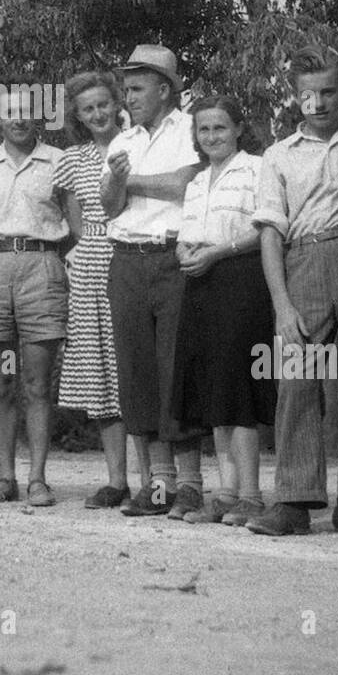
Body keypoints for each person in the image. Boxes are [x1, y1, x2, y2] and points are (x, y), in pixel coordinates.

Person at [247, 47, 338, 538]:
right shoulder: (278, 155)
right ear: (295, 98)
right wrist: (282, 304)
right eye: (309, 94)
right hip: (302, 257)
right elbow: (269, 234)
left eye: (329, 91)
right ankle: (295, 503)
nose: (320, 102)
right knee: (297, 379)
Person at [99, 44, 204, 520]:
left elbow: (187, 183)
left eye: (138, 87)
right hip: (126, 258)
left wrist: (131, 180)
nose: (130, 95)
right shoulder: (124, 140)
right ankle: (158, 483)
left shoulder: (192, 129)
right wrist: (121, 181)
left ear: (165, 89)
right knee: (138, 369)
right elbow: (108, 205)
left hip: (173, 256)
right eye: (127, 87)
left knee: (177, 368)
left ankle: (192, 484)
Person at [170, 96, 275, 526]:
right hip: (201, 285)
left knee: (239, 388)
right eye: (204, 129)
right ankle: (225, 493)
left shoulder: (257, 168)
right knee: (211, 386)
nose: (212, 136)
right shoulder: (196, 182)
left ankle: (251, 494)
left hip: (242, 281)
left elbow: (264, 228)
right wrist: (184, 250)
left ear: (237, 129)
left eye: (220, 128)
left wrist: (217, 252)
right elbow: (187, 232)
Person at [0, 86, 71, 507]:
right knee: (2, 383)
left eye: (28, 112)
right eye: (10, 112)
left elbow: (75, 227)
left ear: (41, 117)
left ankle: (38, 479)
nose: (20, 119)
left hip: (41, 270)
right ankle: (4, 478)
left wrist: (43, 258)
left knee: (38, 383)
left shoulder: (58, 162)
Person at [54, 71, 147, 508]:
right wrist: (89, 250)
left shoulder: (141, 143)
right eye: (87, 108)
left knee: (137, 369)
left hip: (137, 253)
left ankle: (154, 482)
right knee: (104, 378)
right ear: (77, 114)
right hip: (92, 264)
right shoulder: (73, 158)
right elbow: (76, 223)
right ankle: (116, 481)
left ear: (117, 104)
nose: (97, 114)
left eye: (103, 105)